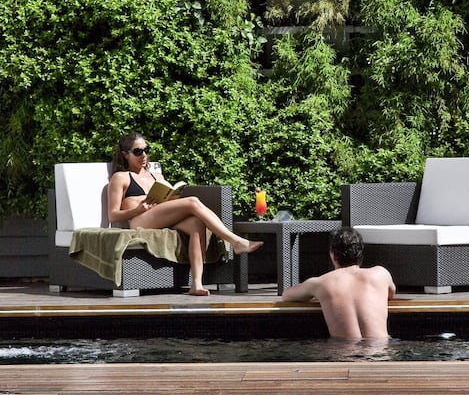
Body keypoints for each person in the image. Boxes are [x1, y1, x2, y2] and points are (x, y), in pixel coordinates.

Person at [107, 132, 263, 296]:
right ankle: (234, 241)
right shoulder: (121, 177)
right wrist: (137, 210)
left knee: (197, 222)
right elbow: (113, 215)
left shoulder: (156, 175)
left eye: (146, 150)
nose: (144, 155)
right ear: (125, 155)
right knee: (193, 202)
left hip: (161, 216)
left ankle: (196, 283)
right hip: (140, 219)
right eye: (138, 152)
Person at [281, 227, 396, 339]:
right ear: (360, 253)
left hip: (343, 354)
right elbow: (391, 294)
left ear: (333, 255)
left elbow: (286, 295)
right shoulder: (381, 274)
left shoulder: (321, 283)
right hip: (379, 353)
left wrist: (317, 295)